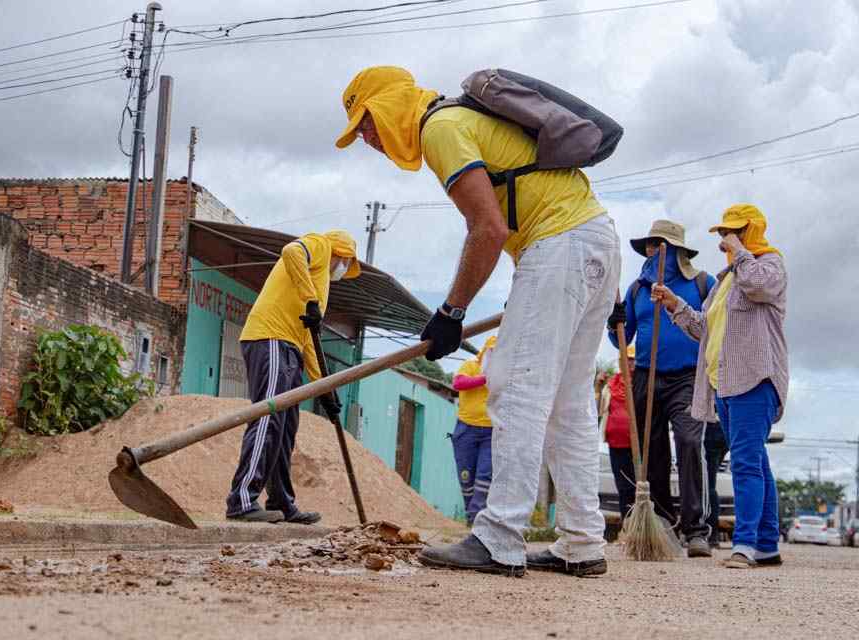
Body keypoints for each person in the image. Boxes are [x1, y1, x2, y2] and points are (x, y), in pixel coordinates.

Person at [337, 66, 620, 577]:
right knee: (566, 404)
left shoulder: (441, 128)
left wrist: (450, 312)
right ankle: (582, 543)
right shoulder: (459, 120)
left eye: (367, 124)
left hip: (559, 245)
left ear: (389, 105)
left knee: (514, 389)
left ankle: (498, 537)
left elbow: (488, 229)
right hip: (595, 241)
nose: (369, 140)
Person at [651, 203, 787, 569]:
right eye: (725, 234)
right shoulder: (726, 281)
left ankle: (744, 546)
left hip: (754, 379)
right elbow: (702, 328)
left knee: (745, 464)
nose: (727, 240)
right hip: (722, 384)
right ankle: (767, 543)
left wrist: (741, 251)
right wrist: (674, 303)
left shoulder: (769, 266)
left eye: (735, 232)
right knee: (756, 461)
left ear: (752, 230)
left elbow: (757, 285)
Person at [225, 230, 361, 524]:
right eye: (346, 262)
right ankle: (242, 500)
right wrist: (309, 298)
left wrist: (326, 388)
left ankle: (281, 502)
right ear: (342, 253)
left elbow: (309, 338)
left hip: (291, 345)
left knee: (285, 428)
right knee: (267, 417)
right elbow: (291, 251)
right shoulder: (321, 245)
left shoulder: (322, 283)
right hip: (270, 337)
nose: (343, 269)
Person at [607, 219, 717, 558]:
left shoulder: (701, 284)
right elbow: (620, 338)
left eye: (659, 246)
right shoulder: (638, 289)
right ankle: (663, 525)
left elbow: (712, 328)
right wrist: (615, 324)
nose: (653, 253)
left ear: (678, 251)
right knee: (652, 452)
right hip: (647, 376)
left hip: (687, 377)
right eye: (650, 247)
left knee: (688, 441)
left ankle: (696, 528)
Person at [451, 336, 497, 526]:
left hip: (491, 431)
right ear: (485, 351)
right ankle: (471, 514)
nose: (495, 356)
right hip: (466, 429)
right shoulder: (471, 365)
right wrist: (485, 379)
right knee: (466, 475)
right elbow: (458, 383)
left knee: (485, 475)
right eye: (492, 351)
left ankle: (477, 516)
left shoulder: (506, 373)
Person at [599, 345, 637, 524]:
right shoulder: (610, 385)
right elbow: (598, 410)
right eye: (626, 360)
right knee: (624, 488)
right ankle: (627, 526)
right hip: (616, 445)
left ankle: (640, 525)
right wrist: (598, 386)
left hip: (638, 446)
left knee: (640, 487)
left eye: (632, 360)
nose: (629, 363)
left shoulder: (641, 384)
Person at [704, 421, 729, 547]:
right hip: (722, 426)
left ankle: (711, 534)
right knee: (708, 484)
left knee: (707, 486)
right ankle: (712, 534)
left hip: (710, 425)